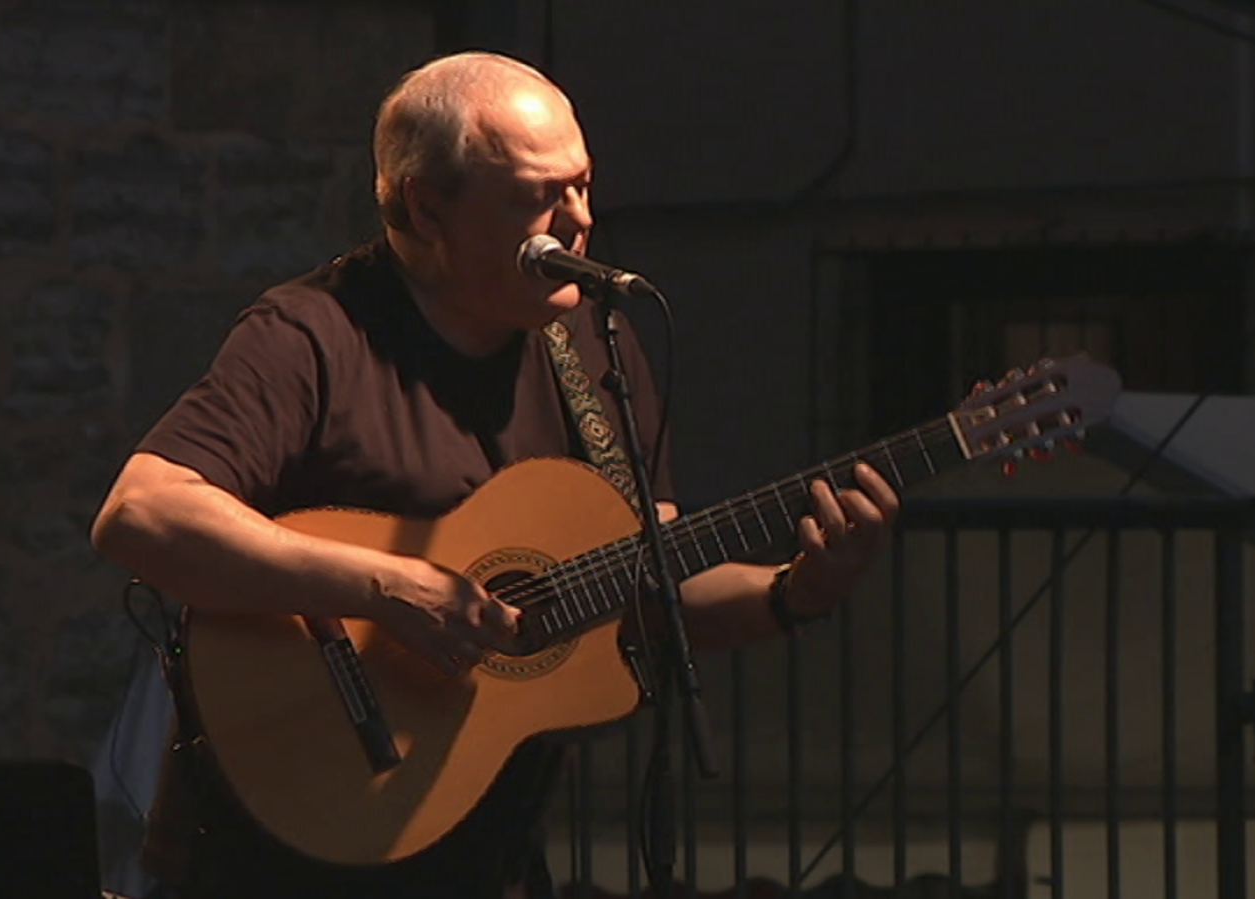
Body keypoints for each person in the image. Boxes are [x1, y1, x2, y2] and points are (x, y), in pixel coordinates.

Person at [90, 50, 900, 899]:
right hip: (281, 853)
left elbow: (643, 581)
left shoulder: (594, 346)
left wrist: (793, 591)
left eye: (583, 184)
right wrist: (385, 586)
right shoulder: (313, 335)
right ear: (426, 206)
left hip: (489, 851)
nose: (578, 219)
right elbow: (142, 513)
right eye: (537, 196)